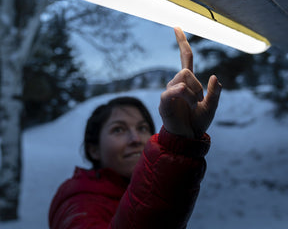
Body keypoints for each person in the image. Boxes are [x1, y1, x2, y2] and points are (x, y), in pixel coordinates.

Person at [48, 27, 222, 229]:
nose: (135, 139)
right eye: (118, 130)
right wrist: (177, 146)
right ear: (93, 149)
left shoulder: (132, 189)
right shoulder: (76, 202)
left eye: (142, 128)